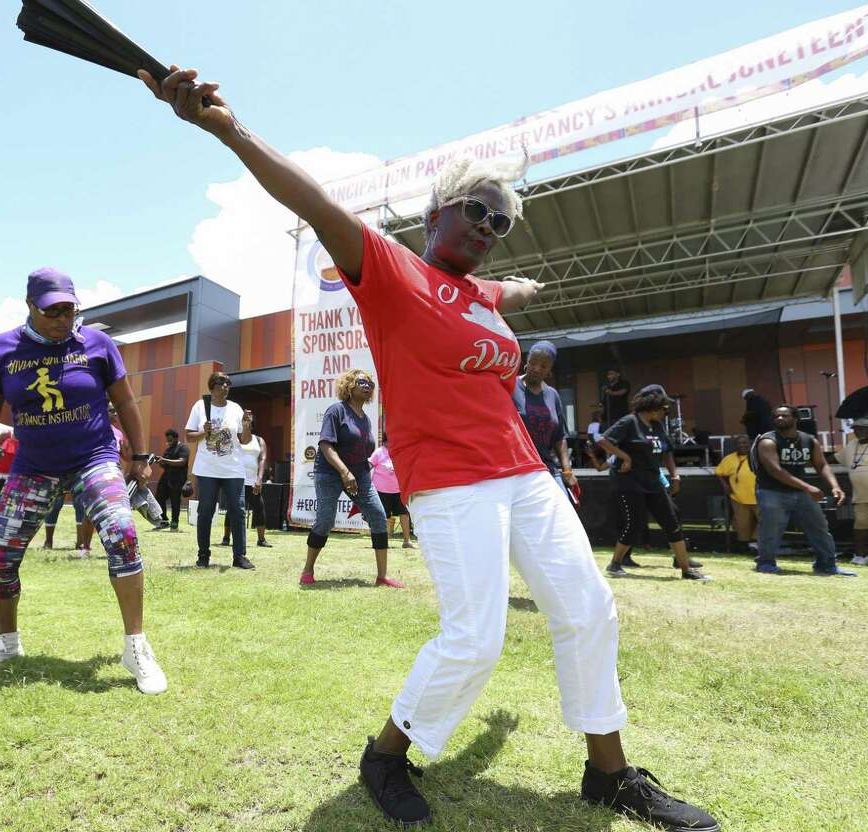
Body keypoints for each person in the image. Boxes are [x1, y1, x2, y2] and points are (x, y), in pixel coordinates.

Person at [143, 66, 718, 832]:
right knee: (475, 639)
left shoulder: (481, 297)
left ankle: (608, 775)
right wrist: (226, 127)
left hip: (524, 473)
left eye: (502, 220)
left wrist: (519, 285)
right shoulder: (391, 272)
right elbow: (312, 201)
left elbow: (500, 291)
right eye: (476, 211)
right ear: (436, 211)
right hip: (450, 480)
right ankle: (385, 756)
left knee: (589, 609)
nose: (487, 225)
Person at [0, 267, 167, 693]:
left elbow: (125, 400)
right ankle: (7, 643)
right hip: (33, 465)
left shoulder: (98, 344)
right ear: (30, 306)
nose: (62, 318)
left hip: (94, 457)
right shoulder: (1, 351)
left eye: (69, 309)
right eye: (52, 311)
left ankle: (136, 646)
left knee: (122, 532)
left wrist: (141, 457)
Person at [596, 386, 710, 580]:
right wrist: (625, 457)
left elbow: (666, 452)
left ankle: (685, 569)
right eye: (663, 408)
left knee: (671, 520)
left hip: (653, 480)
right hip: (629, 481)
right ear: (652, 407)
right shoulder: (629, 422)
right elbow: (603, 440)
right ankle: (615, 564)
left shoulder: (657, 426)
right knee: (636, 522)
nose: (666, 412)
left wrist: (675, 476)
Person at [300, 370, 400, 588]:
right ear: (349, 386)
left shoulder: (365, 419)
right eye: (362, 382)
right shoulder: (336, 411)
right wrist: (344, 472)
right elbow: (326, 445)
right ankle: (307, 570)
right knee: (325, 520)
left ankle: (382, 576)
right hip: (329, 471)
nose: (367, 386)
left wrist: (356, 473)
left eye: (371, 384)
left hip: (359, 473)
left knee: (377, 514)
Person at [752, 405, 856, 576]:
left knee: (819, 526)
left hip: (800, 493)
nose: (779, 419)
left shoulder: (809, 440)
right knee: (771, 528)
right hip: (772, 491)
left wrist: (835, 486)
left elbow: (821, 465)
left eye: (784, 416)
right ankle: (766, 563)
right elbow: (775, 471)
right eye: (776, 416)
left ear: (795, 419)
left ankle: (827, 564)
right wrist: (808, 487)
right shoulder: (768, 441)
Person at [185, 372, 254, 569]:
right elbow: (189, 436)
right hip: (207, 468)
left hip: (233, 469)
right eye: (221, 382)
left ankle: (239, 556)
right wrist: (202, 432)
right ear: (212, 386)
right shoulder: (200, 406)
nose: (226, 386)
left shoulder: (236, 409)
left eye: (228, 383)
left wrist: (247, 424)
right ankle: (203, 554)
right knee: (205, 511)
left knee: (238, 511)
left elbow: (245, 440)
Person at [513, 341, 577, 502]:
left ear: (550, 369)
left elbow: (559, 436)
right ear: (526, 361)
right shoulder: (510, 386)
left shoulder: (552, 395)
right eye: (533, 362)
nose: (536, 368)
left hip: (546, 467)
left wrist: (567, 470)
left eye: (543, 366)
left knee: (564, 508)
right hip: (517, 468)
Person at [220, 409, 271, 548]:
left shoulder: (259, 440)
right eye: (244, 416)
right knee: (232, 509)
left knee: (259, 508)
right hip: (236, 480)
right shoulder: (234, 438)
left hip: (252, 481)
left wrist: (259, 479)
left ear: (252, 421)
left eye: (249, 416)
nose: (247, 417)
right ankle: (226, 538)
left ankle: (261, 540)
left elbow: (262, 459)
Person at [839, 415, 868, 566]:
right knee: (861, 527)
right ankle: (861, 556)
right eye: (856, 429)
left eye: (863, 429)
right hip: (861, 497)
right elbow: (835, 459)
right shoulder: (851, 444)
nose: (858, 432)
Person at [714, 434, 758, 555]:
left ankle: (755, 543)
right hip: (738, 497)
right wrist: (725, 485)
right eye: (740, 443)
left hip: (759, 496)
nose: (743, 445)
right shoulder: (729, 459)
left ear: (750, 444)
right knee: (742, 523)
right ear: (735, 446)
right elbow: (719, 472)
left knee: (765, 520)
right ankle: (744, 547)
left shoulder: (758, 456)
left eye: (745, 443)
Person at [369, 433, 414, 548]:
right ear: (385, 441)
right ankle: (384, 542)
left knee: (404, 514)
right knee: (383, 516)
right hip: (381, 491)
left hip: (399, 490)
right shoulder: (379, 452)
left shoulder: (400, 451)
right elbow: (368, 465)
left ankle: (407, 541)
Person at [155, 428, 190, 531]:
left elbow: (182, 462)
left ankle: (174, 523)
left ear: (176, 438)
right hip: (166, 477)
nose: (168, 442)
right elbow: (165, 465)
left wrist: (164, 460)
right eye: (167, 440)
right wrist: (160, 462)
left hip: (178, 479)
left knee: (175, 501)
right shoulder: (168, 449)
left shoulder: (183, 448)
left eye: (170, 440)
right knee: (159, 498)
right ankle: (164, 520)